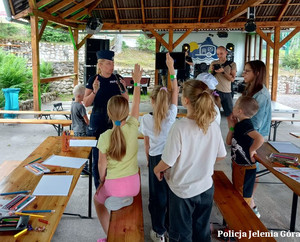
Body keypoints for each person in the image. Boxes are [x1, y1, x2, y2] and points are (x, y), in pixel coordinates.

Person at [154, 80, 227, 242]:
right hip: (206, 188)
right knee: (202, 232)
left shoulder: (180, 127)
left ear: (185, 100)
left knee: (181, 235)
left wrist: (156, 169)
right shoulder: (212, 125)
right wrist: (204, 160)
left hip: (182, 191)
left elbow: (168, 161)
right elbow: (221, 155)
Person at [94, 64, 143, 242]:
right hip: (134, 186)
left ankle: (109, 237)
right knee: (116, 195)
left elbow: (101, 164)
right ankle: (124, 199)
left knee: (98, 201)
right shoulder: (132, 127)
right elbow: (136, 103)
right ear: (126, 113)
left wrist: (102, 181)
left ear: (109, 113)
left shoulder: (105, 136)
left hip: (113, 185)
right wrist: (136, 83)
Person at [139, 53, 178, 242]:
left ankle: (158, 231)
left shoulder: (146, 119)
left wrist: (148, 159)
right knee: (171, 193)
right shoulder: (172, 115)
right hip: (171, 158)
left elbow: (146, 143)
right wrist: (171, 69)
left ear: (152, 101)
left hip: (155, 158)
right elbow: (176, 92)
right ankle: (170, 228)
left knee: (156, 197)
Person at [83, 50, 129, 189]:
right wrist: (95, 91)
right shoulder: (94, 80)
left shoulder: (118, 78)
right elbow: (85, 103)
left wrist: (124, 89)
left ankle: (115, 182)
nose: (112, 66)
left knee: (116, 151)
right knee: (98, 154)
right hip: (98, 118)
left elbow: (126, 100)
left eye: (113, 63)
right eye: (109, 63)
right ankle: (99, 186)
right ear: (101, 65)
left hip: (115, 118)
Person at [242, 60, 272, 217]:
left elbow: (255, 123)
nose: (243, 73)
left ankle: (250, 204)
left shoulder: (261, 95)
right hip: (248, 136)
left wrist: (238, 121)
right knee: (246, 171)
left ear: (257, 73)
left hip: (254, 138)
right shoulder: (251, 89)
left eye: (247, 71)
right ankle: (247, 200)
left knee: (252, 171)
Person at [226, 96, 264, 208]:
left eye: (235, 105)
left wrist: (252, 150)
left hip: (245, 167)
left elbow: (260, 139)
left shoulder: (246, 124)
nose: (232, 108)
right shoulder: (239, 125)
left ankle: (244, 220)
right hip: (238, 165)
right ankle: (238, 217)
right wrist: (231, 128)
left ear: (239, 111)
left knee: (243, 196)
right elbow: (229, 142)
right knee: (238, 192)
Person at [209, 46, 236, 124]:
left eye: (221, 53)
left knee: (230, 116)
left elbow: (232, 79)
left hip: (227, 92)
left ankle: (231, 132)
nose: (219, 56)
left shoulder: (232, 64)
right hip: (215, 92)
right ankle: (214, 132)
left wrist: (223, 72)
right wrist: (211, 70)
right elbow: (209, 76)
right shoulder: (214, 63)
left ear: (226, 53)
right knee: (213, 115)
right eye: (217, 54)